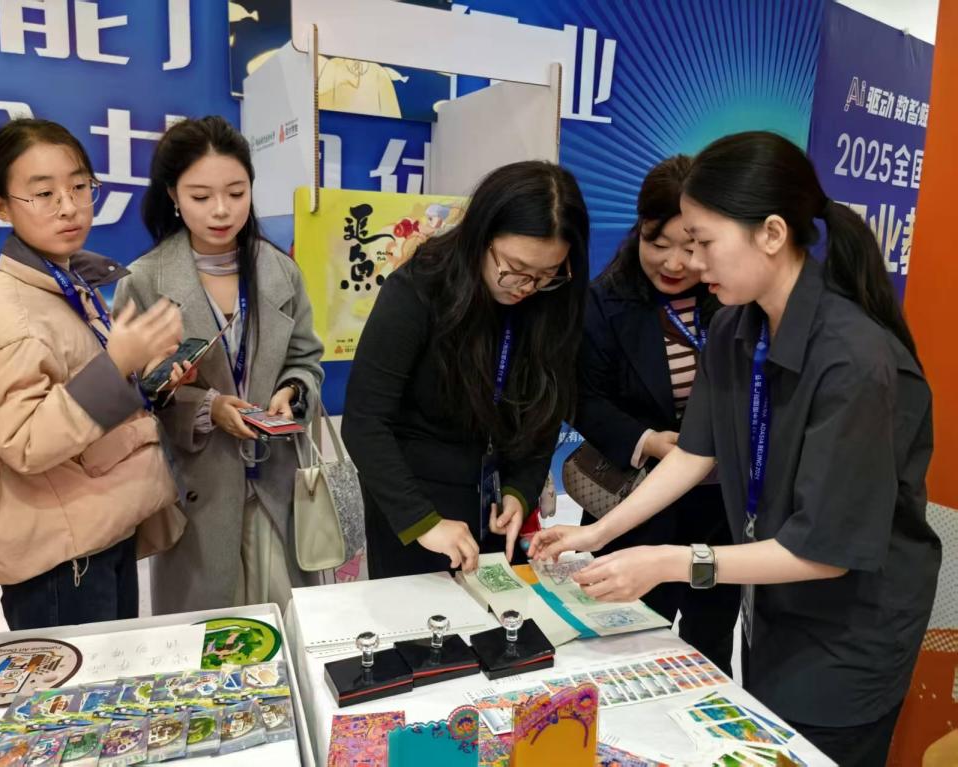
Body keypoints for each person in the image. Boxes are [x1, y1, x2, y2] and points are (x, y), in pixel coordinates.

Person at [531, 131, 940, 767]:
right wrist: (598, 533)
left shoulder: (854, 362)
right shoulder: (734, 326)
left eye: (702, 242)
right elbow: (696, 452)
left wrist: (668, 562)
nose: (692, 263)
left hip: (850, 632)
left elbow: (824, 552)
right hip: (773, 606)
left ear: (771, 234)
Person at [0, 118, 184, 630]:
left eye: (78, 187)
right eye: (43, 194)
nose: (69, 206)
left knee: (116, 672)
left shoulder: (65, 283)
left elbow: (77, 396)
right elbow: (26, 441)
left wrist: (145, 378)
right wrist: (117, 365)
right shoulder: (7, 313)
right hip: (61, 560)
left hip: (98, 530)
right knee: (78, 681)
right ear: (1, 206)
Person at [115, 115, 324, 613]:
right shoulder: (143, 281)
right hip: (196, 493)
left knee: (289, 623)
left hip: (276, 485)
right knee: (208, 637)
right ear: (173, 195)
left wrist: (293, 392)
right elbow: (129, 397)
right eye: (201, 196)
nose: (222, 210)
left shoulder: (281, 271)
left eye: (236, 192)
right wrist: (208, 408)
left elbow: (306, 359)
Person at [342, 161, 589, 578]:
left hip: (495, 503)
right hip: (417, 504)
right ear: (481, 236)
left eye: (546, 274)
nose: (526, 287)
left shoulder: (552, 302)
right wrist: (423, 521)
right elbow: (365, 421)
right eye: (514, 268)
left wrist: (519, 492)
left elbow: (546, 409)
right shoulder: (418, 290)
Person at [573, 155, 738, 673]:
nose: (673, 263)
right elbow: (581, 397)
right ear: (638, 231)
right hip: (635, 499)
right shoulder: (604, 303)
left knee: (710, 641)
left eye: (690, 247)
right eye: (656, 243)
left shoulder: (733, 302)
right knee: (626, 644)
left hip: (719, 508)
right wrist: (648, 439)